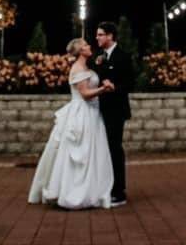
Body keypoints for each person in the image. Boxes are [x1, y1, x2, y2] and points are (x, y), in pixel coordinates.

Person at [27, 38, 115, 210]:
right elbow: (85, 94)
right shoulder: (77, 68)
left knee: (93, 152)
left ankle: (92, 189)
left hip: (92, 113)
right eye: (86, 45)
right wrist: (104, 89)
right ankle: (74, 192)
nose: (90, 46)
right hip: (83, 113)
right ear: (81, 51)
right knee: (80, 153)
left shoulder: (86, 67)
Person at [93, 21, 134, 206]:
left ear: (110, 36)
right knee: (104, 149)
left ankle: (119, 191)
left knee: (114, 148)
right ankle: (106, 186)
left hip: (116, 111)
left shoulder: (123, 56)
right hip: (99, 110)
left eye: (100, 34)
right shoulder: (99, 57)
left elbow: (131, 83)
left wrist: (115, 87)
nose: (97, 37)